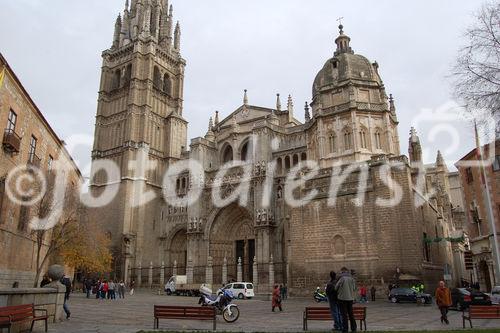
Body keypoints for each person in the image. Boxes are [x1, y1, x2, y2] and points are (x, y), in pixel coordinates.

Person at [335, 267, 357, 333]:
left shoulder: (342, 278)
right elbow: (354, 288)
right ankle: (353, 328)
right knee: (351, 314)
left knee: (344, 315)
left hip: (342, 298)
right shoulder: (352, 279)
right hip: (350, 299)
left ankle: (345, 329)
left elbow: (336, 287)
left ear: (343, 271)